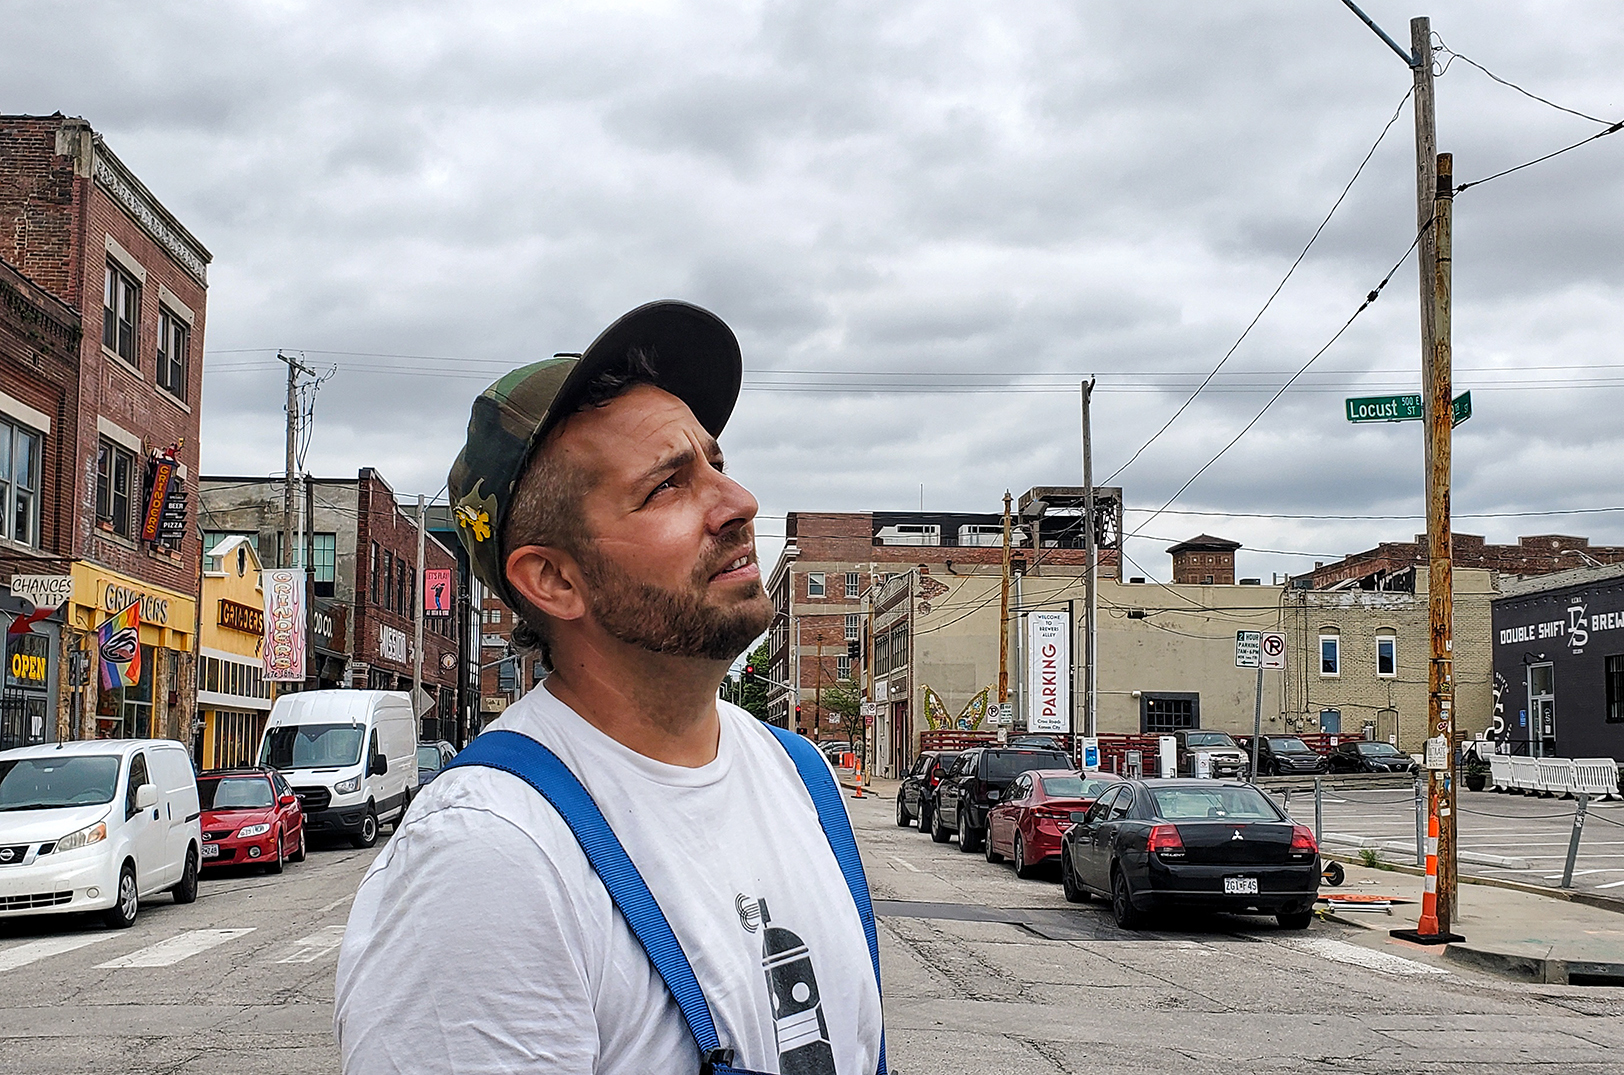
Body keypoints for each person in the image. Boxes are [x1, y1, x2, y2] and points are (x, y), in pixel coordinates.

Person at [335, 300, 885, 1075]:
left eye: (716, 466)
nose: (739, 505)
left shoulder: (804, 781)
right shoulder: (492, 854)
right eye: (667, 486)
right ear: (554, 579)